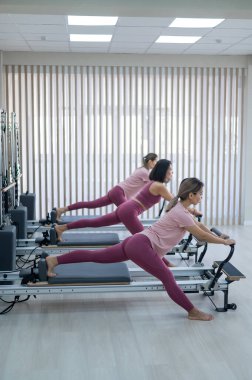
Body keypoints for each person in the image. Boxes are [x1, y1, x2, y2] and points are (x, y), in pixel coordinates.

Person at [46, 177, 235, 321]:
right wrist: (224, 243)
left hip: (137, 242)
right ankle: (192, 312)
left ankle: (54, 260)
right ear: (191, 195)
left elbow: (201, 228)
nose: (202, 196)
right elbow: (200, 236)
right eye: (200, 193)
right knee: (167, 276)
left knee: (96, 256)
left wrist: (219, 236)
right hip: (141, 245)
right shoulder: (181, 212)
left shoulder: (180, 209)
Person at [55, 159, 174, 240]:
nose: (172, 172)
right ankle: (166, 264)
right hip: (123, 199)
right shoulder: (150, 177)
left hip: (121, 196)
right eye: (170, 169)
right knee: (144, 238)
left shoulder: (148, 176)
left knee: (94, 217)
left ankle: (62, 224)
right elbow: (174, 201)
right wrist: (190, 210)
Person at [55, 153, 158, 221]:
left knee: (92, 204)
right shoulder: (145, 172)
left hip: (117, 191)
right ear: (150, 161)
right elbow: (154, 184)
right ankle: (139, 237)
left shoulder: (142, 170)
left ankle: (62, 210)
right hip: (119, 193)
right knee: (129, 214)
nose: (156, 164)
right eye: (155, 162)